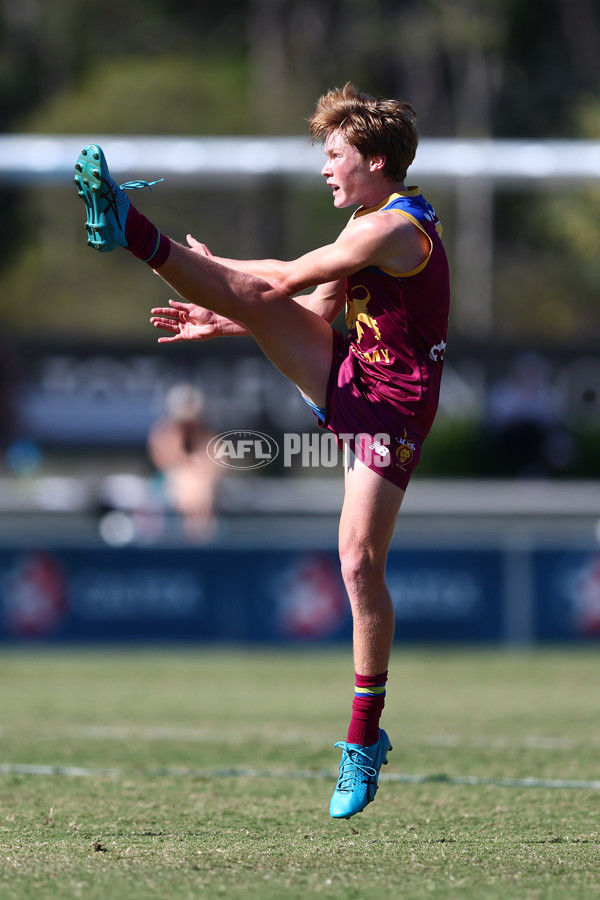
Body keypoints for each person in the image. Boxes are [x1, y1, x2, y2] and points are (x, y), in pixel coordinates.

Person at [73, 82, 450, 819]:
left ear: (375, 161)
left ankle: (363, 740)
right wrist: (232, 322)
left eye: (335, 155)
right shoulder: (364, 224)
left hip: (391, 412)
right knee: (243, 294)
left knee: (356, 563)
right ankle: (128, 226)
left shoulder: (394, 232)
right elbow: (303, 308)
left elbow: (270, 281)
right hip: (346, 372)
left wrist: (235, 297)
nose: (324, 169)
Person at [147, 382, 222, 542]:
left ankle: (200, 534)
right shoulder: (163, 433)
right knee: (186, 482)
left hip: (201, 493)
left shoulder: (208, 438)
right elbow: (165, 461)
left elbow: (215, 467)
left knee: (199, 488)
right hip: (167, 487)